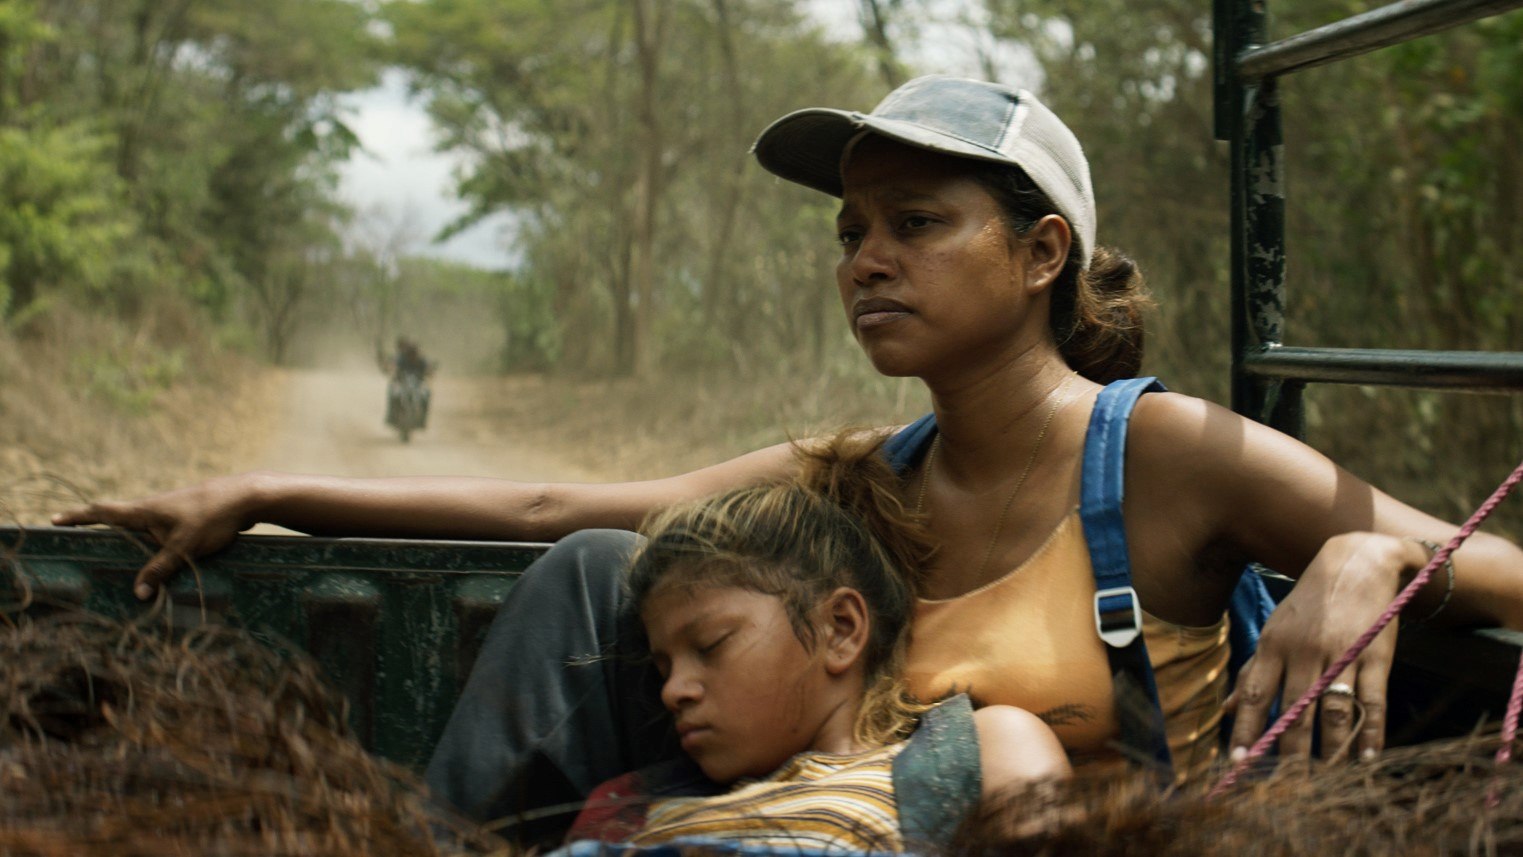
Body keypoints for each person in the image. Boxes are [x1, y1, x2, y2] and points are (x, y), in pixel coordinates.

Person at [52, 75, 1523, 837]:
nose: (864, 261)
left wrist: (1365, 548)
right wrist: (259, 491)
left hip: (1069, 840)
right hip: (821, 836)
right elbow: (560, 503)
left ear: (1039, 253)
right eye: (847, 234)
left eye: (912, 223)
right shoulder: (859, 480)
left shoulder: (1168, 455)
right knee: (586, 573)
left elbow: (1495, 563)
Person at [562, 432, 1068, 851]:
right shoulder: (631, 808)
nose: (674, 691)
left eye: (711, 646)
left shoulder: (973, 755)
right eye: (663, 669)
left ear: (841, 629)